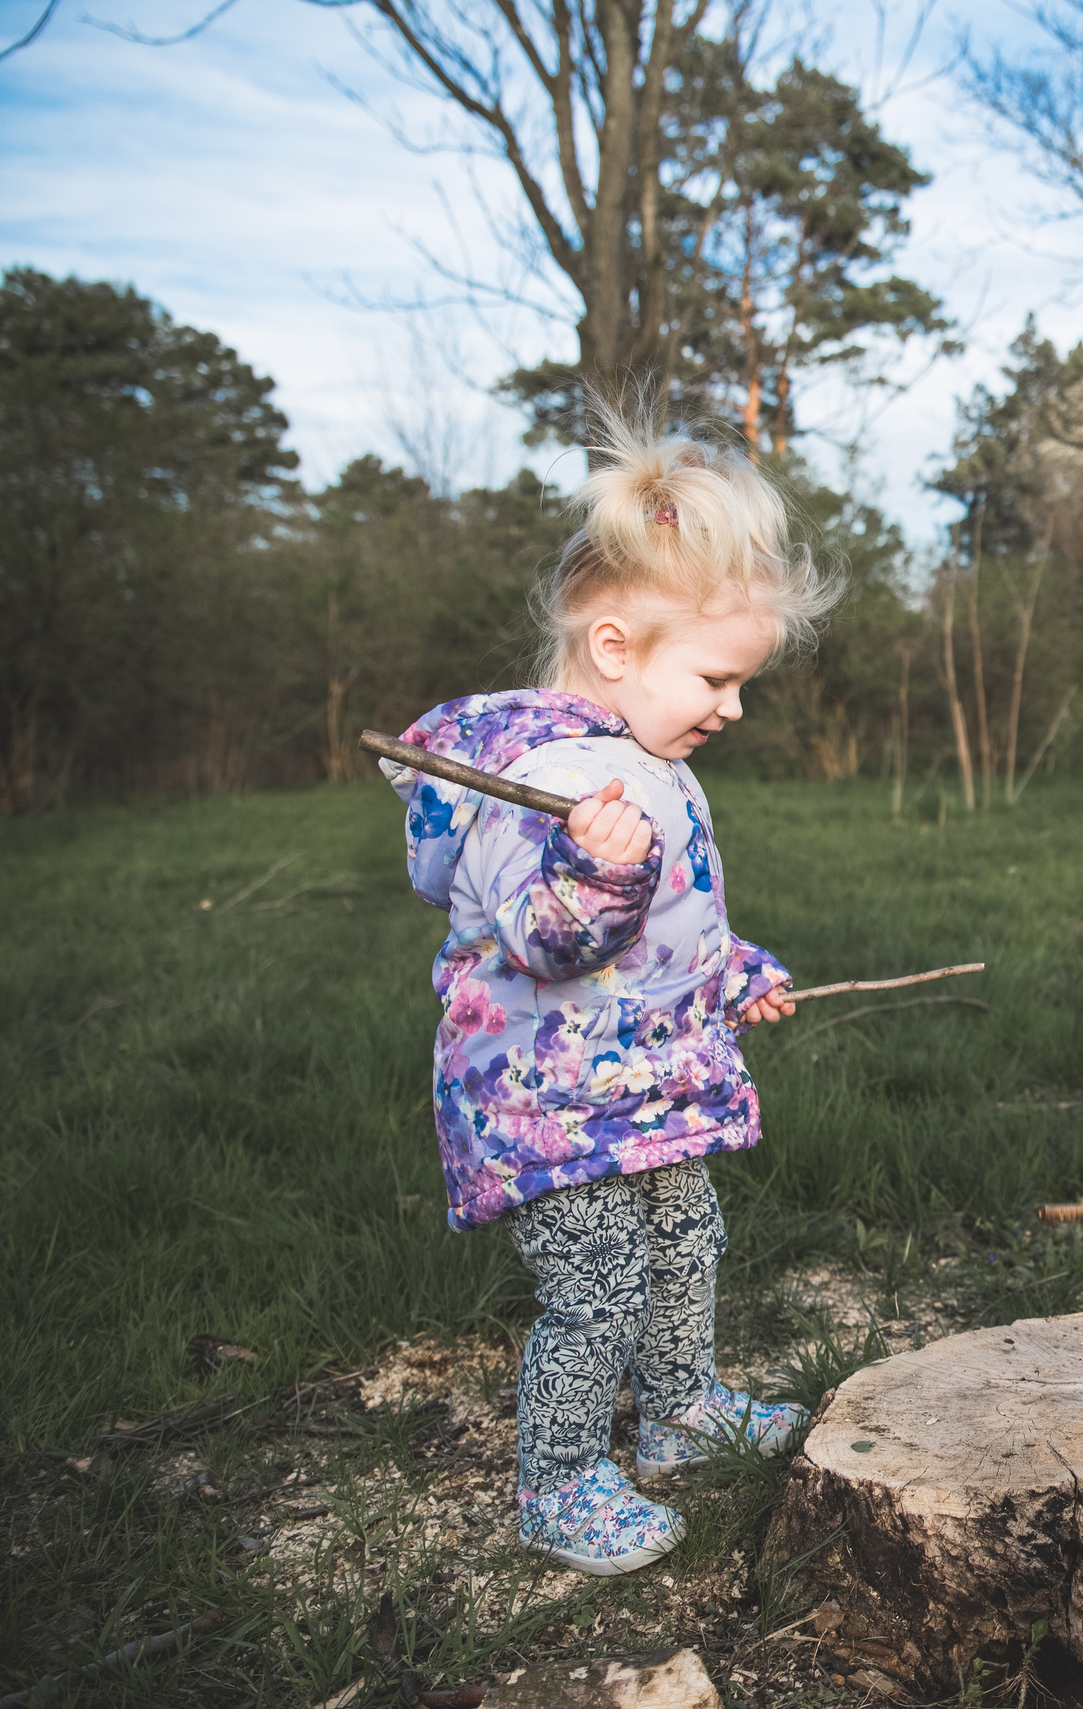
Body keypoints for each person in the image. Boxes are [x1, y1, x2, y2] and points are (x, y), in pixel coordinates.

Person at [383, 410, 836, 1574]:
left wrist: (736, 971)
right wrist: (596, 861)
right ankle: (563, 1476)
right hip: (551, 1099)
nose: (733, 705)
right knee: (598, 1286)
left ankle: (681, 1407)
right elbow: (547, 941)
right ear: (617, 645)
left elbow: (671, 928)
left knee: (689, 1240)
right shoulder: (534, 782)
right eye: (717, 676)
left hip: (648, 1082)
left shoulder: (652, 764)